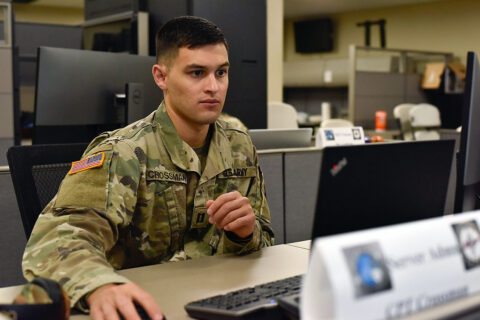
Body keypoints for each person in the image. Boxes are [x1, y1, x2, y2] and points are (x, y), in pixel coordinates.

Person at [22, 16, 274, 320]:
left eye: (221, 72)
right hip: (141, 307)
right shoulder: (123, 153)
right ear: (161, 77)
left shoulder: (239, 147)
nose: (213, 87)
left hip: (218, 302)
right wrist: (99, 286)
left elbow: (264, 240)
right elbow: (57, 240)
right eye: (197, 73)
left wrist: (245, 233)